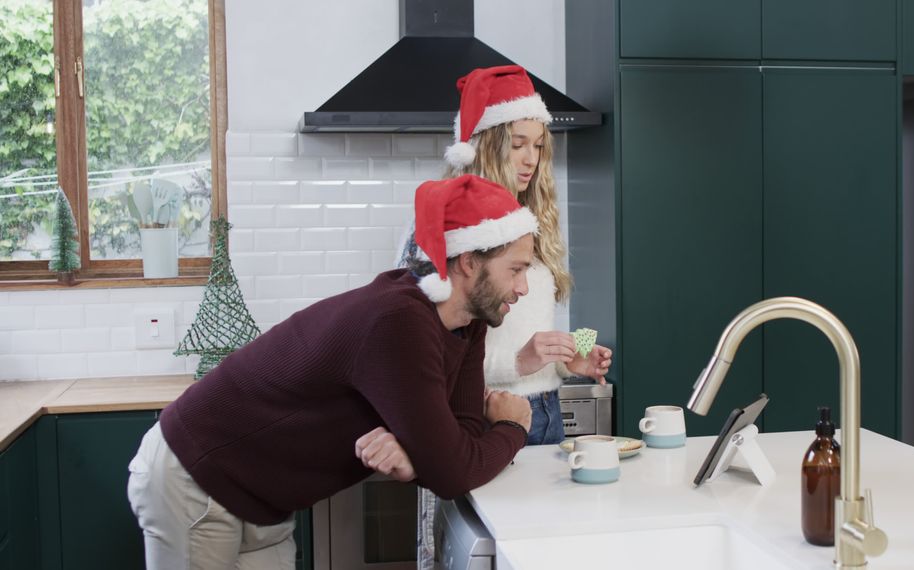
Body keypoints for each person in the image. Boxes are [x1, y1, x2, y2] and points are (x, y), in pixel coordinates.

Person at [127, 174, 537, 569]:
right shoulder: (400, 320)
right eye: (515, 270)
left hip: (263, 499)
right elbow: (453, 469)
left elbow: (458, 439)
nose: (523, 288)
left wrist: (421, 460)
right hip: (198, 478)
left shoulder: (468, 322)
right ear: (468, 262)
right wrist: (512, 428)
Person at [396, 65, 613, 570]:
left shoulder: (535, 223)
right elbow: (425, 355)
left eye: (538, 145)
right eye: (518, 143)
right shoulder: (444, 226)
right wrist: (520, 360)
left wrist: (573, 360)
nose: (531, 160)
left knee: (540, 555)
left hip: (546, 418)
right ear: (488, 142)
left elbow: (541, 328)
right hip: (479, 419)